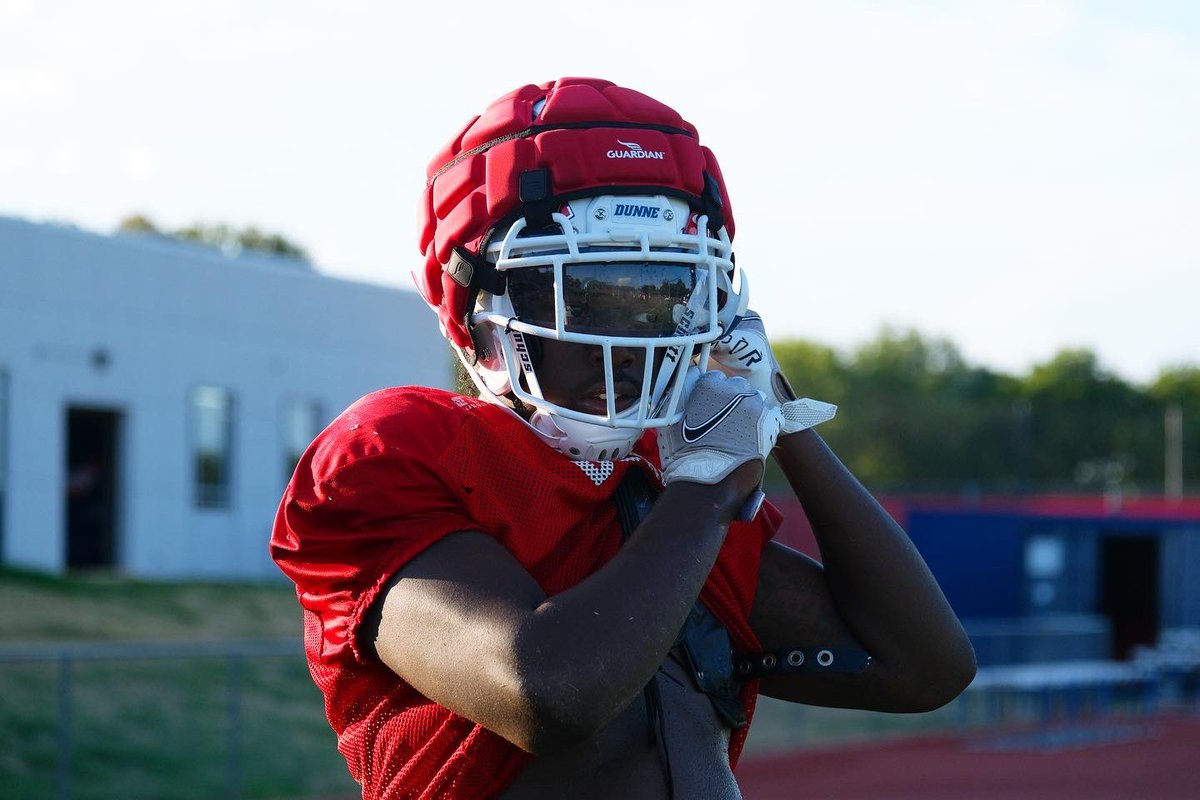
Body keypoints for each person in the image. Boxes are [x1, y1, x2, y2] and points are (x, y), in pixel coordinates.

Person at [270, 77, 976, 800]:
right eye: (584, 296)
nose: (626, 345)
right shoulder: (401, 451)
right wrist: (704, 491)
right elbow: (550, 694)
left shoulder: (663, 496)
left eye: (662, 301)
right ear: (480, 303)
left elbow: (922, 666)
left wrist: (779, 413)